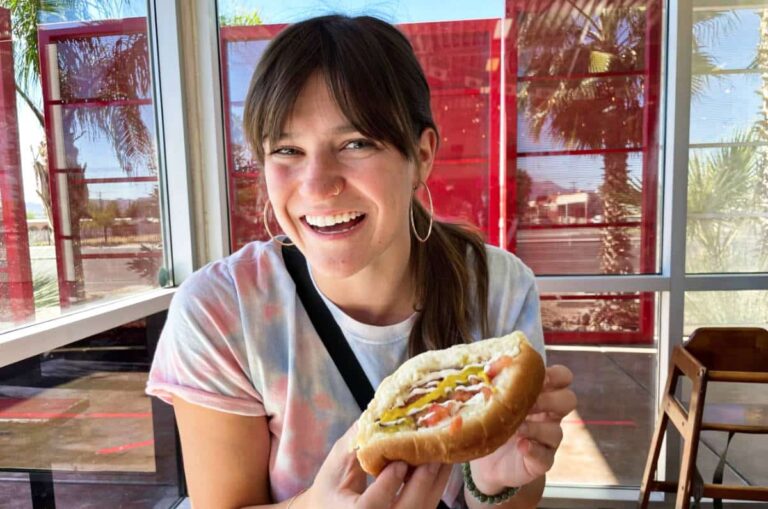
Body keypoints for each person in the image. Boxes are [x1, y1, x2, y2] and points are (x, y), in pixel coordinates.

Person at [146, 14, 577, 509]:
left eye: (355, 144)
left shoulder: (498, 287)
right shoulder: (220, 311)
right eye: (287, 150)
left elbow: (518, 496)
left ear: (422, 154)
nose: (317, 185)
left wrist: (496, 483)